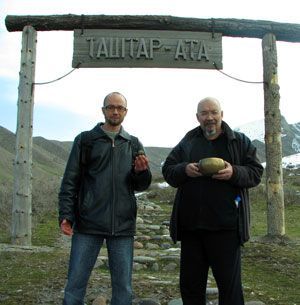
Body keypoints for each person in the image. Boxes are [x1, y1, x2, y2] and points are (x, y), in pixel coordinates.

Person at [162, 97, 263, 305]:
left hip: (226, 229)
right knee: (191, 288)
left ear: (221, 115)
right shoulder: (188, 142)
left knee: (230, 289)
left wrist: (234, 172)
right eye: (204, 113)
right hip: (191, 230)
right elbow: (168, 171)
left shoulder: (239, 142)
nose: (209, 117)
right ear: (197, 117)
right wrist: (184, 169)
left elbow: (255, 172)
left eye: (213, 112)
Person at [58, 92, 152, 305]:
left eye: (120, 108)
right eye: (111, 107)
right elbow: (70, 181)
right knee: (75, 284)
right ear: (103, 110)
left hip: (122, 225)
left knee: (123, 289)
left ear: (126, 112)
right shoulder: (85, 140)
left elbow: (140, 185)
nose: (115, 111)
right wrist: (66, 214)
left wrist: (141, 172)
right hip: (88, 223)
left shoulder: (133, 143)